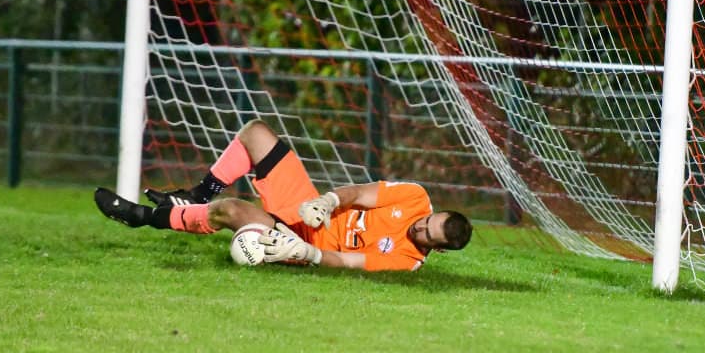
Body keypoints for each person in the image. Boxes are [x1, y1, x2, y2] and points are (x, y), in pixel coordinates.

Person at [94, 119, 472, 271]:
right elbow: (358, 193)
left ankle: (141, 217)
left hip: (297, 241)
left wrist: (308, 253)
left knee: (229, 210)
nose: (418, 227)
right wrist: (327, 201)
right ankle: (196, 194)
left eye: (426, 235)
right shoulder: (415, 199)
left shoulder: (406, 261)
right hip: (307, 208)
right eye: (426, 221)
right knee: (256, 133)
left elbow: (346, 262)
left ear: (435, 250)